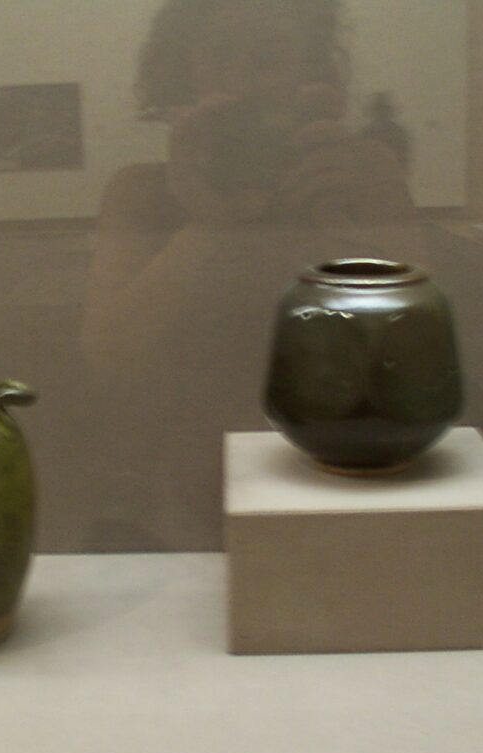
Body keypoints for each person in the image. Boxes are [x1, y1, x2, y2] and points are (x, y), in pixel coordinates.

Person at [78, 0, 424, 549]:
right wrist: (206, 226)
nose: (243, 82)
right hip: (192, 477)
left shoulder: (361, 172)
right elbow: (112, 360)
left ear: (308, 69)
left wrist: (337, 223)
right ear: (184, 68)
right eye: (220, 54)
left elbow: (419, 358)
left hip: (347, 458)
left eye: (269, 56)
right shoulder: (144, 192)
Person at [362, 91, 411, 172]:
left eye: (384, 109)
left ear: (389, 111)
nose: (381, 113)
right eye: (378, 110)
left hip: (392, 173)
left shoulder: (398, 132)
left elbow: (404, 159)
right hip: (370, 174)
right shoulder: (366, 132)